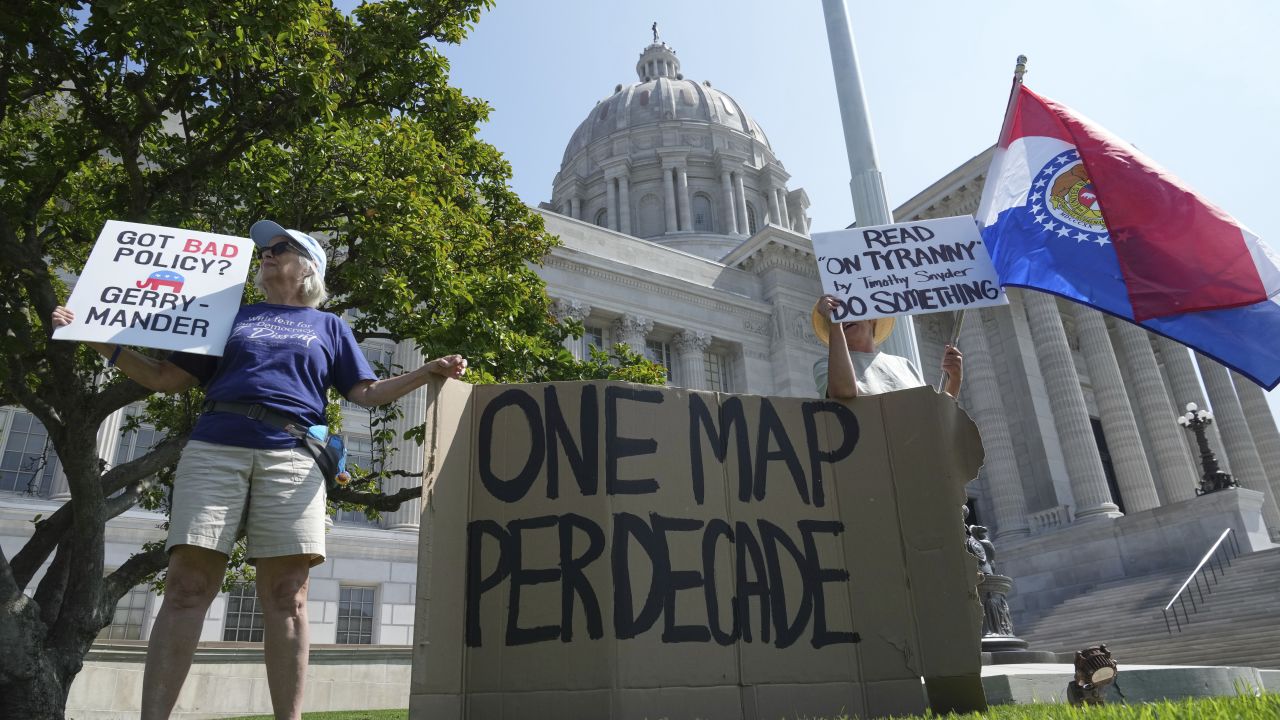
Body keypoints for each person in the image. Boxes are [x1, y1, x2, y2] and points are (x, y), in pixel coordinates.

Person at [52, 219, 467, 720]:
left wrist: (427, 371)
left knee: (286, 596)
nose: (266, 255)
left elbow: (367, 393)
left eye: (280, 248)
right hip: (215, 448)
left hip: (292, 457)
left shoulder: (329, 326)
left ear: (308, 266)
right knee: (187, 586)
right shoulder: (229, 316)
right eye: (265, 250)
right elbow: (166, 379)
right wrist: (99, 340)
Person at [811, 294, 963, 399]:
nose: (843, 318)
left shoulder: (904, 365)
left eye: (851, 309)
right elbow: (844, 392)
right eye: (837, 314)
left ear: (872, 318)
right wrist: (835, 326)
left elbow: (933, 417)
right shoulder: (825, 366)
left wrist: (954, 381)